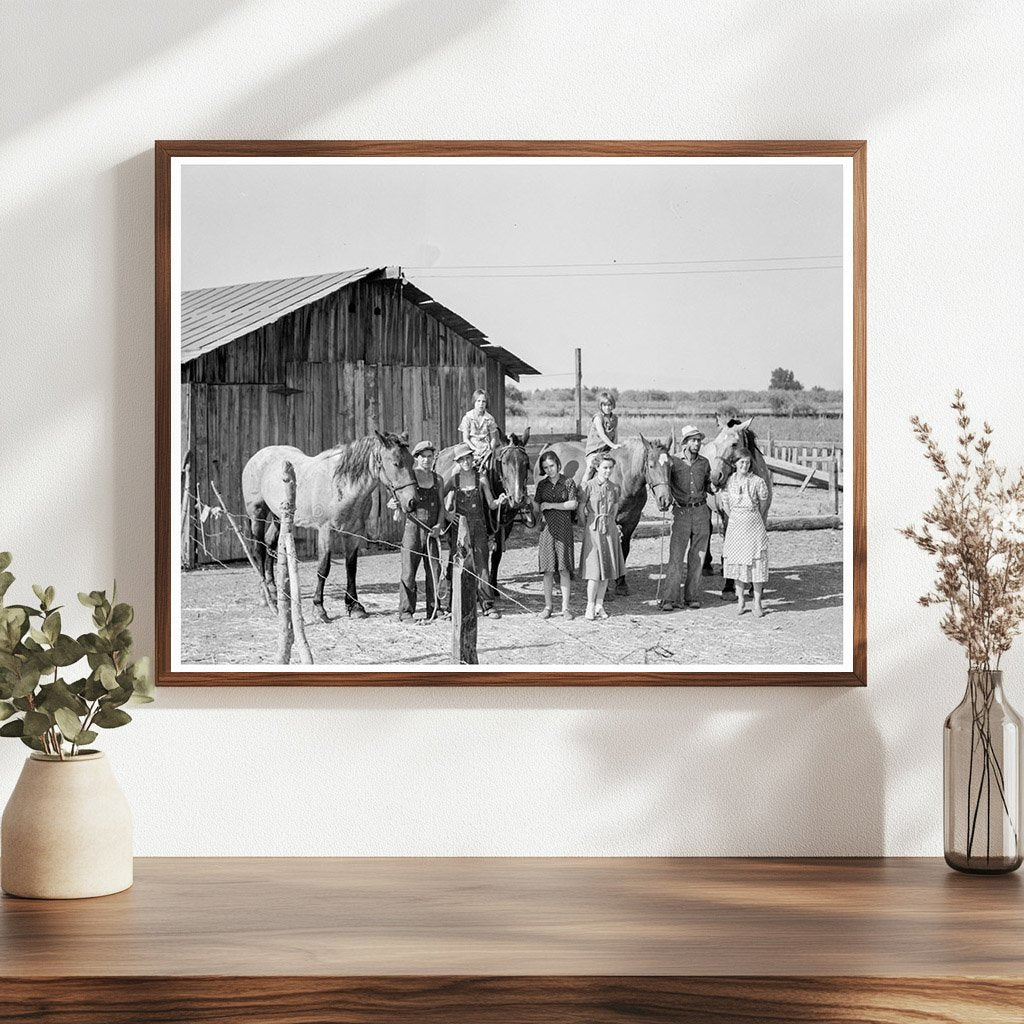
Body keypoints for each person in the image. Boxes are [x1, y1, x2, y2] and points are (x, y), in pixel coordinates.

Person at [443, 442, 508, 618]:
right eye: (462, 459)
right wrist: (448, 515)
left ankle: (487, 605)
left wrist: (500, 501)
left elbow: (491, 504)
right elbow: (440, 496)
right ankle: (453, 606)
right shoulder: (454, 479)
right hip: (460, 528)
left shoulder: (481, 478)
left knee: (482, 565)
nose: (466, 462)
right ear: (458, 462)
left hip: (479, 527)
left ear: (473, 459)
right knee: (458, 564)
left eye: (468, 458)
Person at [391, 440, 447, 624]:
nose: (427, 460)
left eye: (430, 456)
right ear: (416, 458)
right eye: (423, 457)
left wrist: (439, 525)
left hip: (432, 532)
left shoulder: (438, 479)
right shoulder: (411, 477)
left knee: (434, 571)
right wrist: (394, 504)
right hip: (413, 530)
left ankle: (435, 609)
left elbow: (442, 506)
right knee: (408, 572)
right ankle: (406, 612)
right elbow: (397, 498)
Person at [661, 424, 714, 611]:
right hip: (681, 513)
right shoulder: (674, 461)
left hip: (701, 511)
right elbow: (664, 482)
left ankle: (692, 597)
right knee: (676, 557)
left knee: (698, 557)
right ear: (685, 442)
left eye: (699, 440)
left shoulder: (704, 463)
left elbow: (708, 485)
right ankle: (669, 599)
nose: (697, 443)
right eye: (693, 440)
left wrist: (715, 485)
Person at [721, 449, 770, 617]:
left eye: (748, 462)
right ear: (735, 463)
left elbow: (763, 504)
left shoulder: (757, 481)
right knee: (737, 564)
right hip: (736, 527)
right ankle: (740, 600)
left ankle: (757, 602)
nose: (745, 465)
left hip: (753, 525)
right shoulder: (729, 481)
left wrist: (752, 516)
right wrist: (735, 517)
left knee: (756, 564)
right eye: (742, 462)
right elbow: (725, 503)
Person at [578, 454, 624, 620]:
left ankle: (599, 604)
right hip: (593, 529)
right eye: (605, 467)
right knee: (594, 571)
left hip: (609, 529)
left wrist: (611, 524)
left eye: (610, 468)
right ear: (597, 467)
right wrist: (588, 525)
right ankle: (590, 605)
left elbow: (615, 508)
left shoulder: (614, 488)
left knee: (606, 570)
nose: (608, 471)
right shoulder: (588, 486)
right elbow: (581, 509)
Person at [533, 450, 579, 619]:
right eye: (545, 467)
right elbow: (537, 506)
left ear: (558, 464)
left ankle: (565, 608)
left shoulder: (568, 482)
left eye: (551, 466)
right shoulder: (542, 485)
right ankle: (548, 607)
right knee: (548, 570)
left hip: (563, 528)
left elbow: (573, 504)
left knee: (564, 569)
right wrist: (529, 502)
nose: (549, 470)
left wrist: (551, 505)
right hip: (547, 530)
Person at [459, 389, 500, 463]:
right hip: (470, 449)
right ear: (474, 402)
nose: (481, 404)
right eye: (478, 401)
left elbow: (493, 438)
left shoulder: (489, 419)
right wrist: (475, 449)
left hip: (486, 450)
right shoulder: (467, 417)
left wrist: (490, 450)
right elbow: (465, 439)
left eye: (483, 401)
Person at [585, 391, 620, 467]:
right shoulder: (598, 418)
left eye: (609, 405)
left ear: (613, 405)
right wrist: (613, 445)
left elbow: (615, 434)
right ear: (600, 405)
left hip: (607, 450)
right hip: (595, 450)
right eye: (604, 405)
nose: (607, 408)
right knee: (591, 466)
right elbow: (602, 435)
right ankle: (587, 475)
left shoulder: (614, 418)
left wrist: (614, 447)